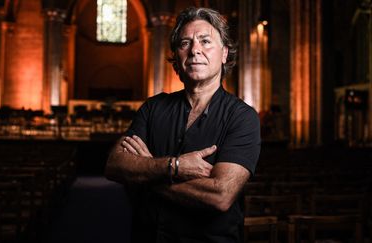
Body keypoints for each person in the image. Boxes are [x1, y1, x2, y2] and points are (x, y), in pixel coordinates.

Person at [105, 7, 261, 243]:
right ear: (176, 57)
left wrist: (147, 176)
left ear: (224, 53)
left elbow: (220, 195)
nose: (195, 50)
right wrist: (175, 166)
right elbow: (115, 165)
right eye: (185, 43)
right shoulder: (153, 108)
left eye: (205, 41)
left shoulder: (242, 117)